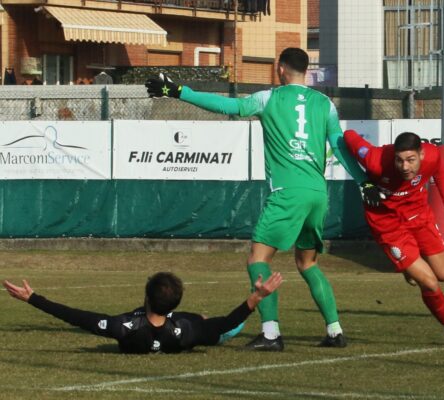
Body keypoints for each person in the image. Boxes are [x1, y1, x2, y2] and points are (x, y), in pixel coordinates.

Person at [145, 48, 373, 351]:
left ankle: (270, 333)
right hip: (318, 193)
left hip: (288, 193)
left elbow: (229, 105)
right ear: (306, 71)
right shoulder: (325, 104)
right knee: (308, 263)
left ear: (280, 69)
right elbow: (340, 145)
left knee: (258, 258)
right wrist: (363, 181)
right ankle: (335, 330)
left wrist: (179, 91)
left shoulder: (270, 98)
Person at [343, 130, 444, 346]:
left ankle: (408, 266)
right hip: (388, 225)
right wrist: (364, 181)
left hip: (420, 215)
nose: (405, 167)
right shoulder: (374, 159)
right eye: (399, 161)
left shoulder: (432, 154)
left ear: (421, 154)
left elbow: (438, 170)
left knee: (443, 274)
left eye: (410, 160)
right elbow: (347, 135)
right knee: (429, 282)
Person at [2, 271, 282, 354]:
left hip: (159, 326)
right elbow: (227, 322)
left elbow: (78, 316)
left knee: (213, 325)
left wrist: (33, 298)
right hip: (189, 334)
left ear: (146, 298)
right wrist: (257, 296)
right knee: (215, 326)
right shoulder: (185, 330)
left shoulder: (124, 326)